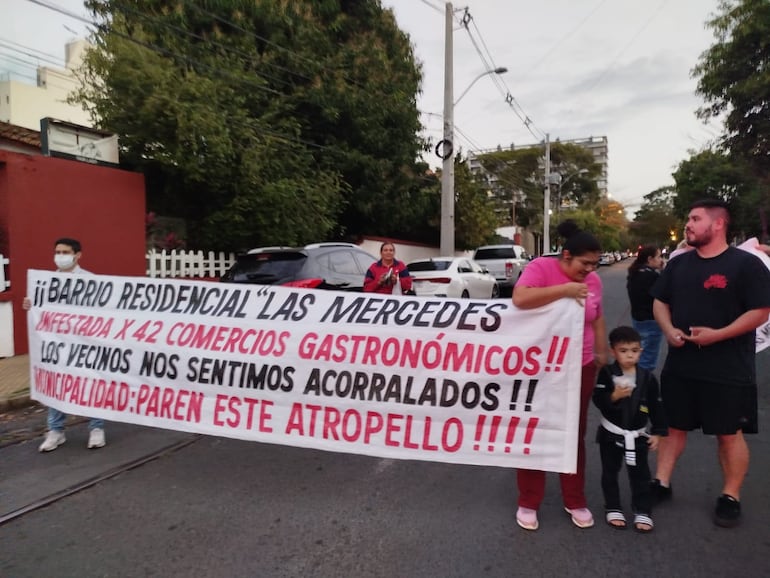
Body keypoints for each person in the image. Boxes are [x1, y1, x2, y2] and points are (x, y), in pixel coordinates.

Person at [650, 199, 770, 527]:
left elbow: (761, 310)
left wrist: (719, 335)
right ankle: (660, 482)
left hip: (729, 367)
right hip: (681, 365)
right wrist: (668, 328)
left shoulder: (746, 265)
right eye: (688, 219)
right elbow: (660, 303)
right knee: (673, 427)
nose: (688, 224)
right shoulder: (678, 265)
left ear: (718, 225)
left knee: (728, 433)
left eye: (694, 219)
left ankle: (730, 495)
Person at [512, 220, 608, 531]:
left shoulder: (593, 282)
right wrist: (565, 291)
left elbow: (597, 316)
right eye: (585, 263)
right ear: (566, 255)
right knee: (534, 431)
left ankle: (575, 498)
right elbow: (521, 299)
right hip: (540, 366)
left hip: (580, 366)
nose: (590, 270)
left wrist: (602, 352)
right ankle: (529, 500)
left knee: (573, 434)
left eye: (595, 264)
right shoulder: (541, 268)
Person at [23, 238, 107, 452]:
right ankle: (55, 431)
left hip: (84, 344)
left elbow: (103, 312)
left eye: (65, 252)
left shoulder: (91, 281)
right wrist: (30, 305)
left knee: (90, 383)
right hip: (56, 345)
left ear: (78, 255)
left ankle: (96, 428)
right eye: (58, 251)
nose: (60, 256)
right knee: (56, 384)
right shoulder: (45, 282)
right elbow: (40, 309)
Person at [593, 326, 667, 533]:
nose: (629, 356)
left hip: (637, 434)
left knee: (640, 473)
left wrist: (658, 432)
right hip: (611, 433)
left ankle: (642, 510)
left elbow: (656, 405)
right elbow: (598, 399)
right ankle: (613, 506)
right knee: (610, 471)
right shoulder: (607, 374)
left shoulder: (648, 378)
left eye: (634, 351)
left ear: (641, 352)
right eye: (624, 351)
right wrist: (613, 397)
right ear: (613, 351)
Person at [626, 246, 664, 371]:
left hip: (638, 317)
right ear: (649, 259)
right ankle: (643, 385)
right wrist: (663, 271)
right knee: (648, 358)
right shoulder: (651, 276)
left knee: (640, 351)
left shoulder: (634, 273)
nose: (661, 260)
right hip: (651, 319)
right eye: (659, 256)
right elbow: (665, 293)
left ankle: (637, 380)